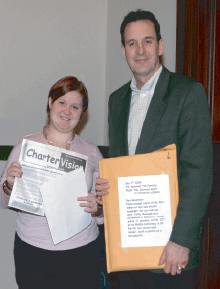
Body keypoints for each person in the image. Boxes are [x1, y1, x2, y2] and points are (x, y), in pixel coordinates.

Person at [96, 9, 213, 289]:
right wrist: (105, 188)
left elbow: (198, 173)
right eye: (132, 43)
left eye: (147, 41)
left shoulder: (187, 92)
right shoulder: (117, 100)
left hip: (170, 252)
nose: (140, 50)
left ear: (160, 46)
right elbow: (121, 164)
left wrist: (182, 240)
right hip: (128, 249)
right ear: (123, 51)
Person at [0, 76, 104, 289]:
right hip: (33, 251)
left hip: (82, 252)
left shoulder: (92, 152)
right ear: (50, 103)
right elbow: (3, 201)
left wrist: (98, 208)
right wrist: (9, 184)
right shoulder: (25, 146)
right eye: (62, 102)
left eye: (75, 106)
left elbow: (105, 209)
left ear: (82, 112)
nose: (67, 111)